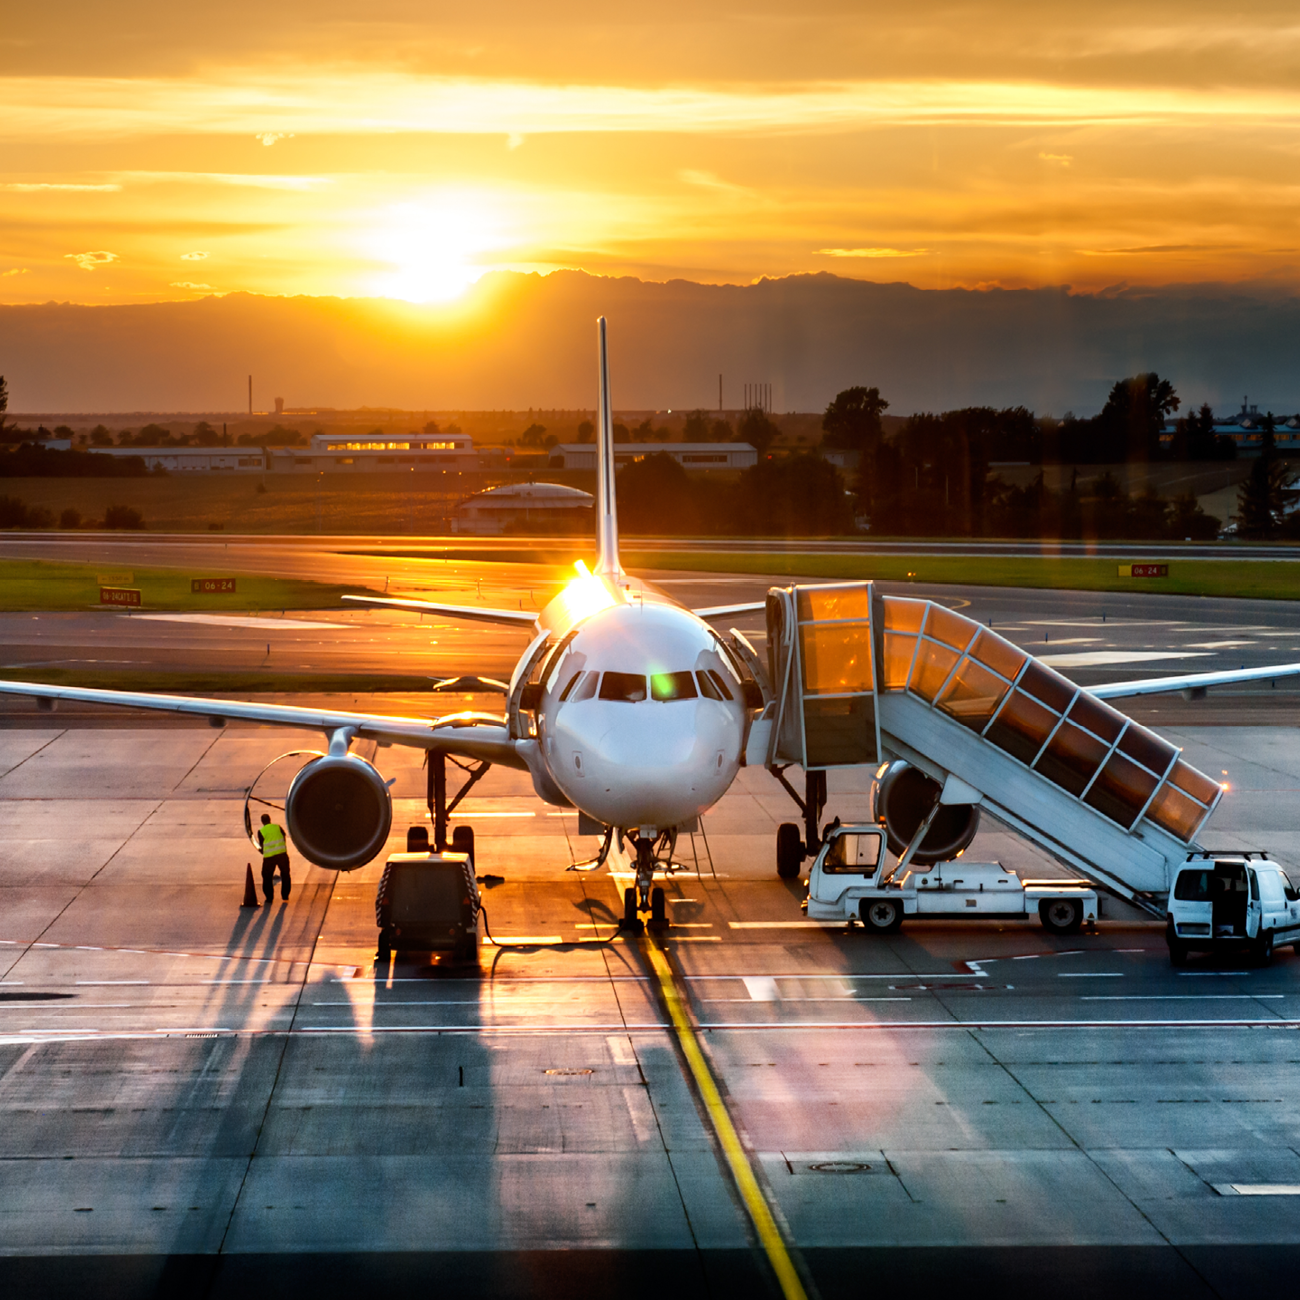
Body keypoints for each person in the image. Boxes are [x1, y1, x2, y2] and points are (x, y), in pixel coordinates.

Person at [257, 813, 291, 903]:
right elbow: (284, 836)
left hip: (269, 857)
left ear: (262, 822)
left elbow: (262, 845)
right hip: (282, 854)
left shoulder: (261, 831)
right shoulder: (278, 827)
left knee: (267, 876)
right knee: (285, 874)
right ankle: (285, 895)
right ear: (270, 819)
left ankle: (269, 897)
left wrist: (261, 851)